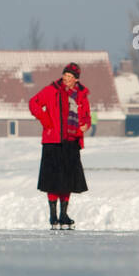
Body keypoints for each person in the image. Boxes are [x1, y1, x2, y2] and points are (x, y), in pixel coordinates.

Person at [29, 62, 91, 229]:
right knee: (53, 180)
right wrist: (46, 120)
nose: (66, 79)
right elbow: (33, 103)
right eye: (65, 75)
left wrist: (85, 125)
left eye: (70, 77)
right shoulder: (51, 90)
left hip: (72, 141)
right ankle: (53, 215)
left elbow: (86, 116)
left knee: (68, 180)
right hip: (53, 141)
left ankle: (63, 214)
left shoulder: (81, 96)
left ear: (76, 80)